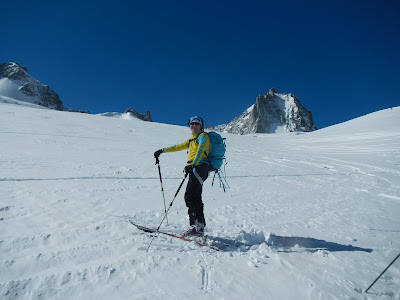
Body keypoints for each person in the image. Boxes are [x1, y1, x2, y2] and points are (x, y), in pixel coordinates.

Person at [154, 116, 210, 237]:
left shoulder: (203, 137)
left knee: (190, 196)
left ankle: (196, 226)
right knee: (195, 196)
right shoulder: (191, 140)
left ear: (201, 126)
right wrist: (162, 151)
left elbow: (200, 150)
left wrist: (193, 164)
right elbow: (177, 147)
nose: (193, 126)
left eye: (196, 124)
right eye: (191, 124)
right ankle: (199, 226)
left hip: (199, 168)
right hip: (195, 169)